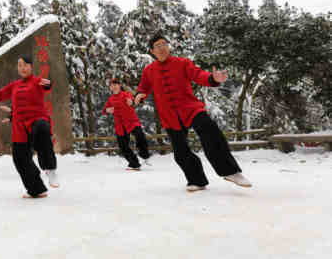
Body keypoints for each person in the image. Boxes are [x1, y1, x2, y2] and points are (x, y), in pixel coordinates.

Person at [134, 34, 252, 192]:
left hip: (190, 108)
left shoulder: (182, 63)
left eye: (164, 44)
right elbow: (143, 88)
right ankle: (196, 180)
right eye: (158, 45)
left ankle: (230, 172)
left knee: (210, 131)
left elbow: (199, 75)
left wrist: (213, 79)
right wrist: (139, 95)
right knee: (180, 152)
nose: (162, 47)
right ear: (152, 51)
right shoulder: (149, 70)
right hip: (169, 115)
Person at [0, 56, 59, 198]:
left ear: (31, 67)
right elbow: (0, 95)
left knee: (42, 130)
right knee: (19, 158)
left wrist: (48, 84)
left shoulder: (37, 81)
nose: (22, 68)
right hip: (20, 126)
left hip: (36, 120)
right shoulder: (15, 85)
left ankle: (50, 168)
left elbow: (47, 85)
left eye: (25, 65)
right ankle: (36, 189)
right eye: (19, 65)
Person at [102, 78, 151, 170]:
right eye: (112, 85)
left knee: (140, 135)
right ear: (110, 88)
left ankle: (144, 154)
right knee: (123, 146)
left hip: (132, 121)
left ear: (120, 86)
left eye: (116, 84)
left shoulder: (126, 94)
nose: (114, 86)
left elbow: (134, 101)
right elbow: (104, 110)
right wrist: (107, 110)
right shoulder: (111, 99)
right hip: (120, 125)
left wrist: (131, 102)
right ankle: (134, 163)